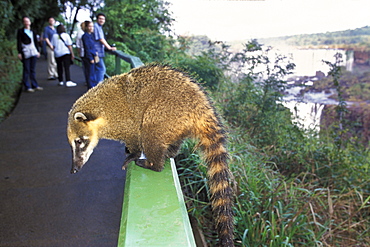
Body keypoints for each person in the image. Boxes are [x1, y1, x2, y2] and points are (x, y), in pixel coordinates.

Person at [17, 16, 43, 93]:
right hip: (25, 51)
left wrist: (38, 51)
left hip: (33, 51)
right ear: (23, 23)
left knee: (32, 69)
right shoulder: (21, 31)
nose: (26, 23)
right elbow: (19, 42)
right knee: (26, 69)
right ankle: (27, 86)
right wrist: (19, 52)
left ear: (30, 22)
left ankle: (34, 85)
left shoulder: (33, 31)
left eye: (27, 21)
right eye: (25, 21)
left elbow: (35, 42)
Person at [94, 13, 116, 83]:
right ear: (97, 19)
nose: (101, 20)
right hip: (96, 53)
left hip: (98, 52)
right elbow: (101, 39)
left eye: (103, 19)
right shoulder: (96, 26)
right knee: (101, 69)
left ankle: (95, 86)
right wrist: (109, 48)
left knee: (97, 68)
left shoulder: (99, 27)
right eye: (100, 18)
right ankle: (99, 87)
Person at [82, 21, 98, 89]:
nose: (91, 28)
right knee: (90, 74)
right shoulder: (85, 36)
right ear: (86, 27)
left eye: (92, 26)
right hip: (89, 58)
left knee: (93, 73)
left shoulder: (90, 35)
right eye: (90, 26)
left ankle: (93, 87)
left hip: (93, 56)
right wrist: (90, 58)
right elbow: (87, 48)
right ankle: (91, 89)